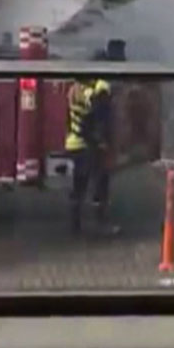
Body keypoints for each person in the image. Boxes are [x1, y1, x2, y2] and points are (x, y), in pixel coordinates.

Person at [66, 72, 118, 236]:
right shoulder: (98, 90)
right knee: (100, 182)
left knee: (79, 185)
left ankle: (75, 226)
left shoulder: (74, 89)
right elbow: (100, 117)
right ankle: (101, 223)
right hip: (89, 145)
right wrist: (102, 141)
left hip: (74, 142)